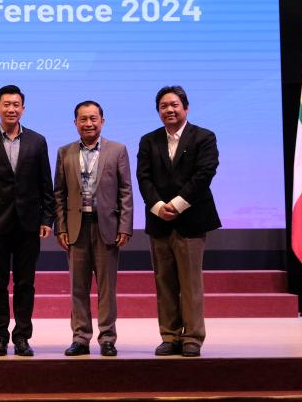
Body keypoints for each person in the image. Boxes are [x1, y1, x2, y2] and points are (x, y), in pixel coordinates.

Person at [137, 86, 220, 358]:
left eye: (174, 104)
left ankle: (193, 338)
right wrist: (160, 206)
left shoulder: (204, 137)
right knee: (165, 283)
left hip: (191, 220)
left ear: (186, 107)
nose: (169, 110)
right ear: (158, 111)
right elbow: (144, 178)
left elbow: (204, 173)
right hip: (160, 221)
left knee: (190, 283)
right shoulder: (149, 141)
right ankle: (170, 336)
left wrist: (178, 203)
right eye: (163, 106)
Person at [0, 84, 54, 357]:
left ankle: (22, 337)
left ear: (23, 109)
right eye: (6, 104)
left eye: (16, 104)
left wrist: (47, 218)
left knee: (25, 283)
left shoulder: (37, 141)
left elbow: (46, 184)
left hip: (29, 224)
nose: (11, 109)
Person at [54, 100, 133, 357]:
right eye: (83, 119)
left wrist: (125, 226)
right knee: (78, 287)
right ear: (75, 123)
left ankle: (108, 338)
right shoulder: (64, 152)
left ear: (102, 121)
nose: (88, 123)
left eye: (93, 118)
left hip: (106, 227)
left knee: (107, 288)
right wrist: (61, 228)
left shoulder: (117, 150)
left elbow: (125, 191)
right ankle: (80, 338)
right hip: (77, 228)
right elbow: (59, 194)